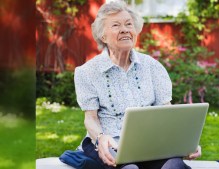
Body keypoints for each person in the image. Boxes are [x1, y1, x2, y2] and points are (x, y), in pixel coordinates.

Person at [72, 1, 201, 169]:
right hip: (109, 144)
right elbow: (91, 118)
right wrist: (101, 137)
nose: (125, 29)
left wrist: (183, 142)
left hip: (149, 142)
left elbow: (166, 112)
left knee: (174, 166)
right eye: (116, 25)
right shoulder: (87, 72)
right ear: (103, 36)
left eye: (128, 24)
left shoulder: (153, 67)